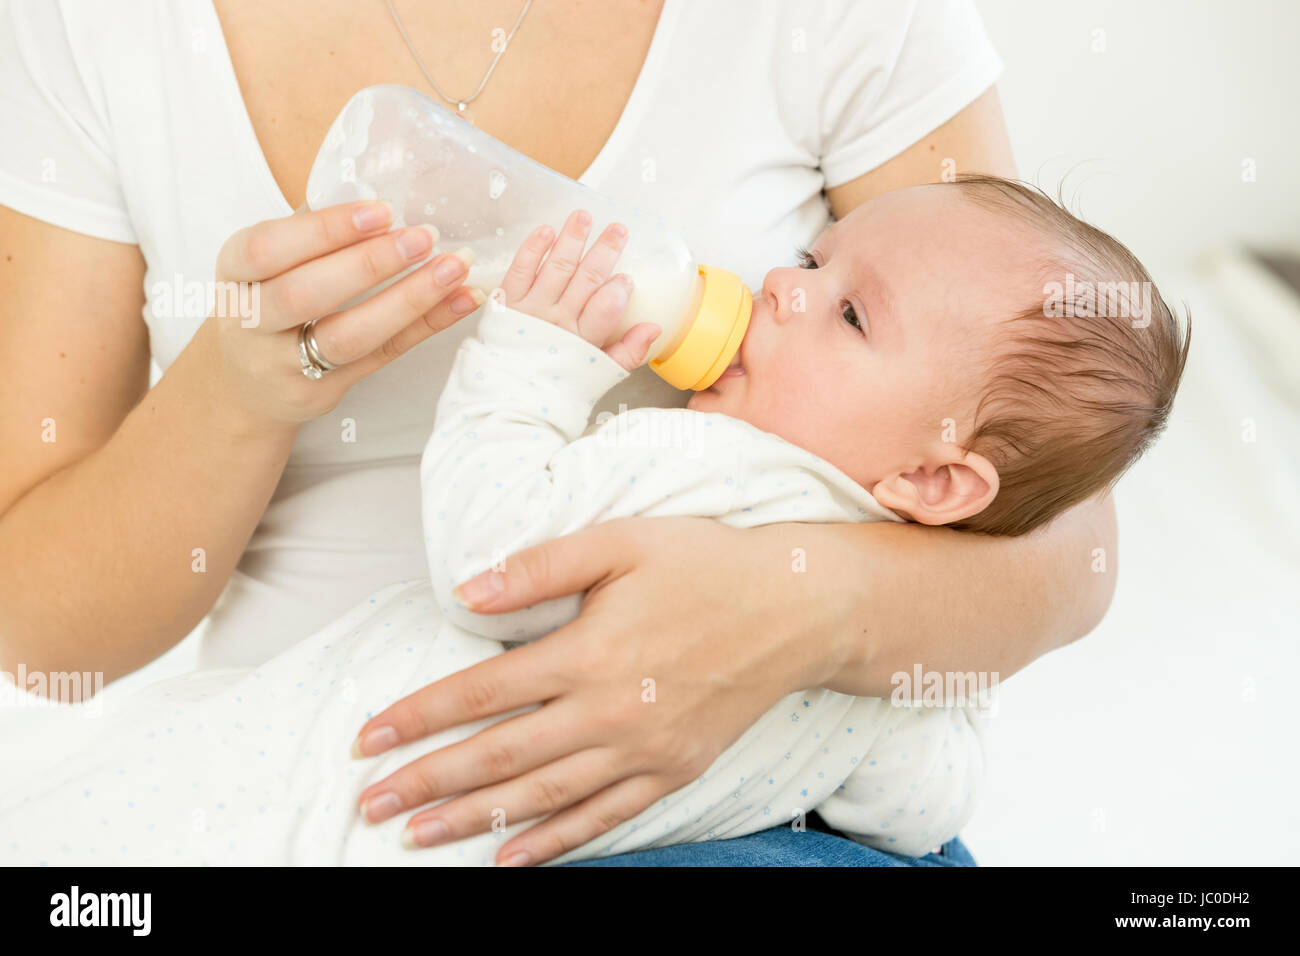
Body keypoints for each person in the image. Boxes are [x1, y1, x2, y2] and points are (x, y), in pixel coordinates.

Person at [0, 0, 1117, 865]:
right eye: (814, 262)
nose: (781, 284)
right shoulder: (98, 33)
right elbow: (42, 640)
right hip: (346, 772)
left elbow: (1068, 531)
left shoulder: (698, 460)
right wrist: (238, 387)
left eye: (846, 306)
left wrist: (799, 614)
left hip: (724, 833)